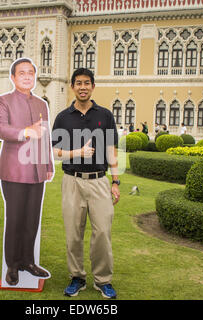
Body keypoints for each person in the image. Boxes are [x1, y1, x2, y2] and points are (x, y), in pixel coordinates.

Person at [52, 68, 120, 299]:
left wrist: (116, 181)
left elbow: (111, 150)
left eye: (87, 83)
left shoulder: (105, 115)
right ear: (72, 86)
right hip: (72, 181)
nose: (83, 87)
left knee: (102, 232)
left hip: (100, 181)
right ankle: (77, 277)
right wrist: (78, 152)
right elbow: (55, 153)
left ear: (93, 86)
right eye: (78, 83)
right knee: (73, 234)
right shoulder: (63, 117)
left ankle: (103, 280)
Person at [0, 58, 54, 287]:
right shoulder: (4, 101)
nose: (27, 76)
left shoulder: (41, 104)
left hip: (38, 170)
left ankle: (29, 261)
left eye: (30, 73)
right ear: (13, 78)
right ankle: (12, 265)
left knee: (32, 220)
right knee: (15, 219)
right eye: (22, 73)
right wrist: (26, 131)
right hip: (14, 171)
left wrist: (48, 165)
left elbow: (45, 136)